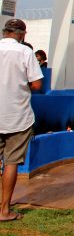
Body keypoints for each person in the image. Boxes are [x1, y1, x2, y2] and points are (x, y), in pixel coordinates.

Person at [0, 18, 43, 221]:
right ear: (21, 34)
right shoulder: (25, 52)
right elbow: (37, 84)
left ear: (5, 32)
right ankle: (4, 210)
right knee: (11, 162)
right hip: (18, 116)